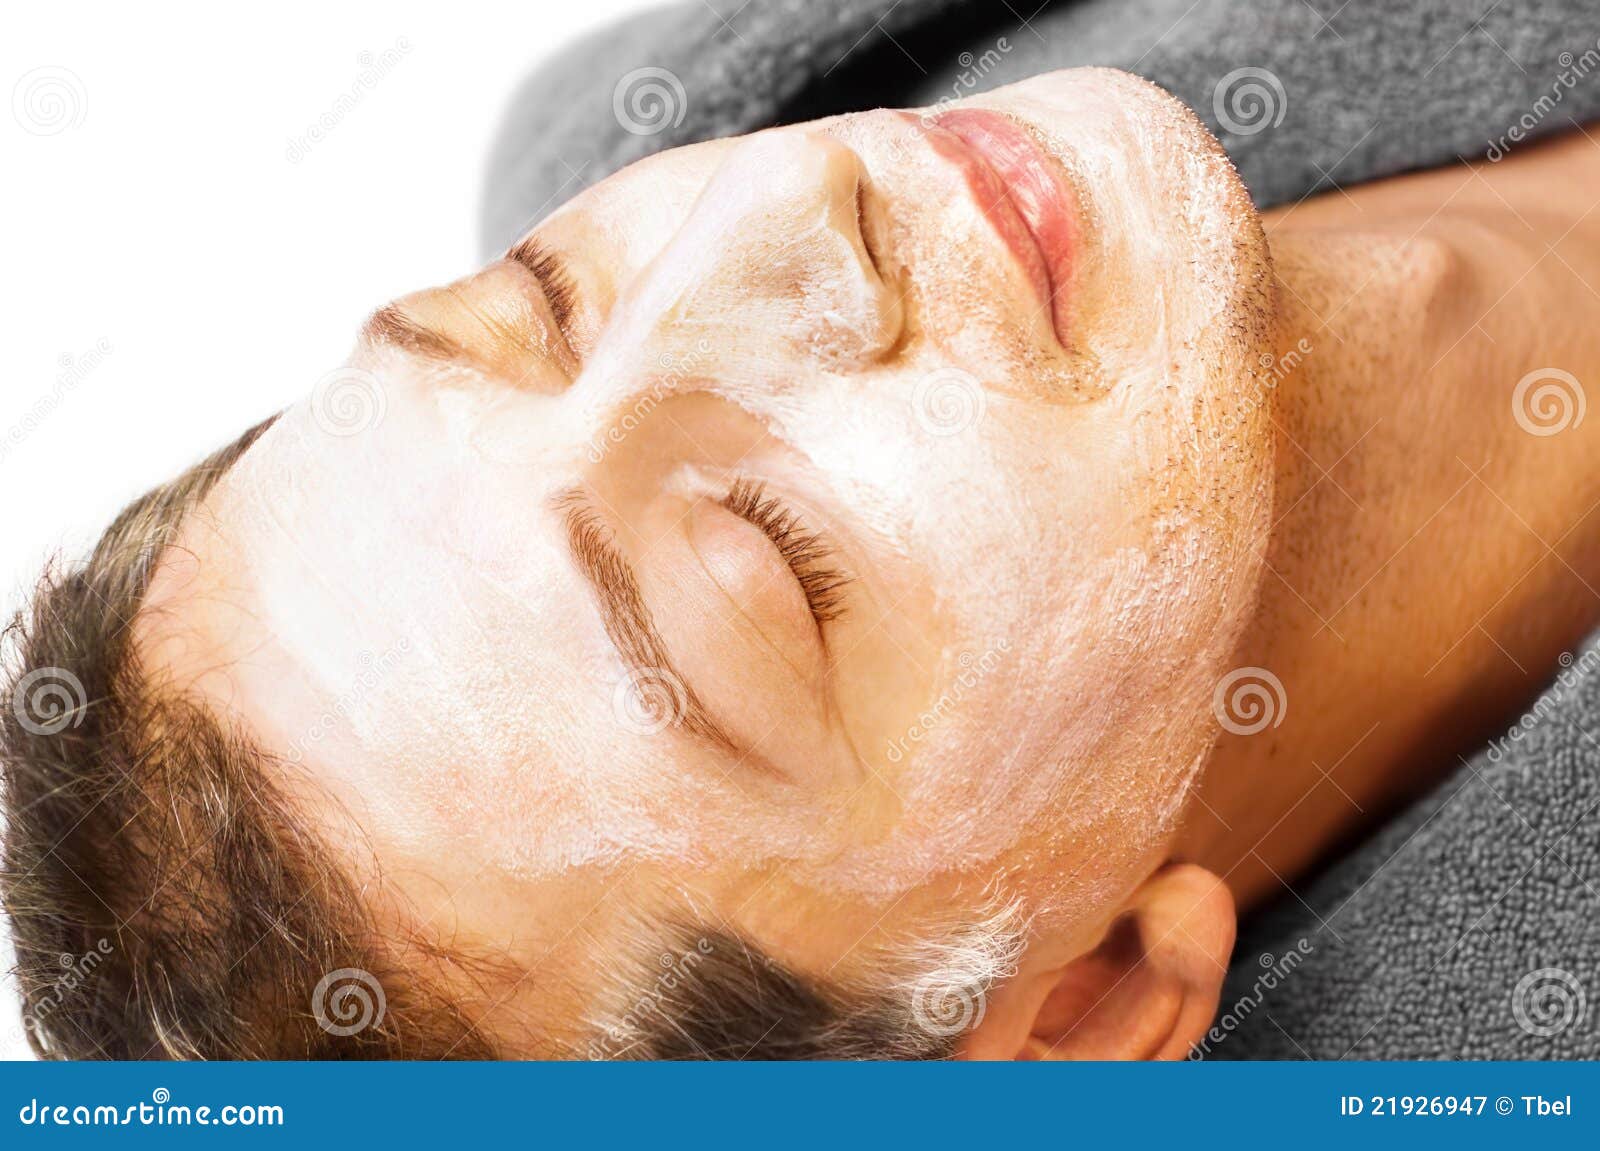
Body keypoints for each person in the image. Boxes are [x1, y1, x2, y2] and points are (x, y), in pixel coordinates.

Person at [5, 57, 1600, 1059]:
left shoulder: (660, 85)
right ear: (1087, 1004)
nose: (784, 213)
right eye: (757, 564)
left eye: (542, 303)